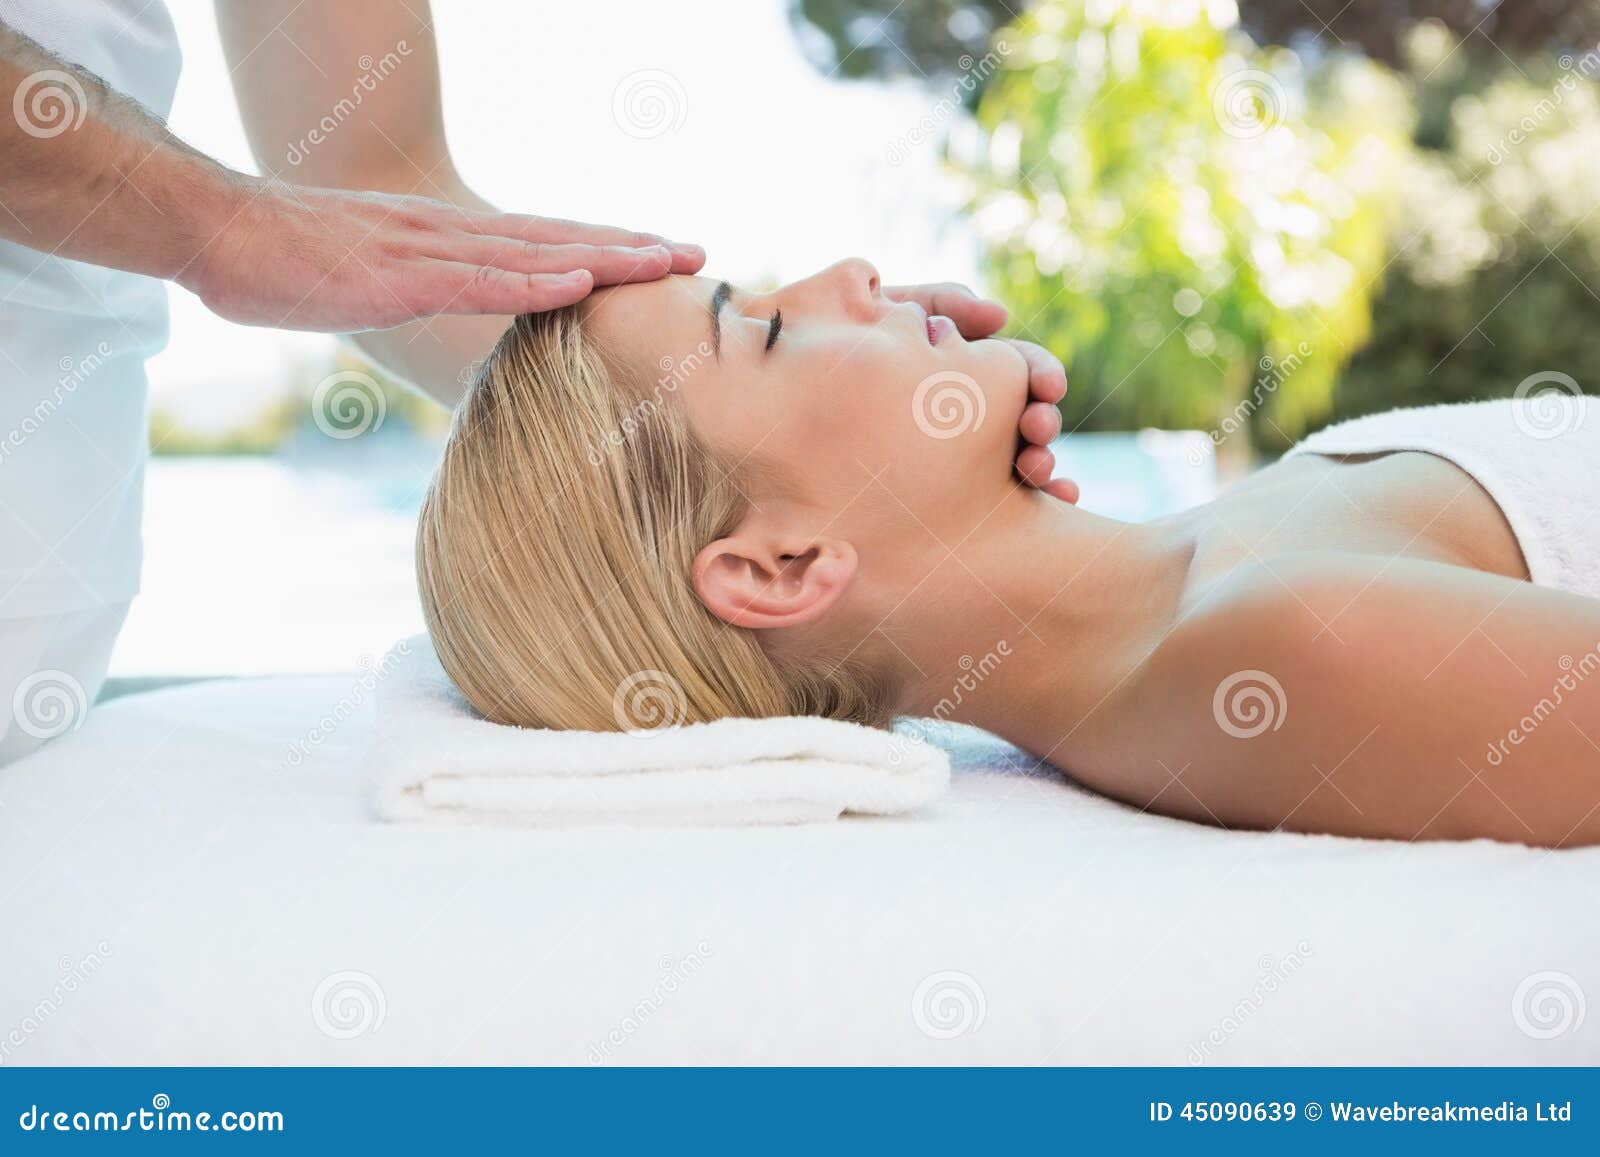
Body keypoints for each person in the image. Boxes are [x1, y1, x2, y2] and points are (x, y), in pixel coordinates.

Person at [0, 1, 1071, 763]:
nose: (857, 272)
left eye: (766, 320)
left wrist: (813, 400)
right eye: (768, 319)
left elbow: (370, 171)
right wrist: (211, 224)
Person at [416, 260, 1600, 850]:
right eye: (768, 324)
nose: (852, 274)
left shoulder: (1216, 574)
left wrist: (915, 441)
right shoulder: (1279, 650)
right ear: (777, 567)